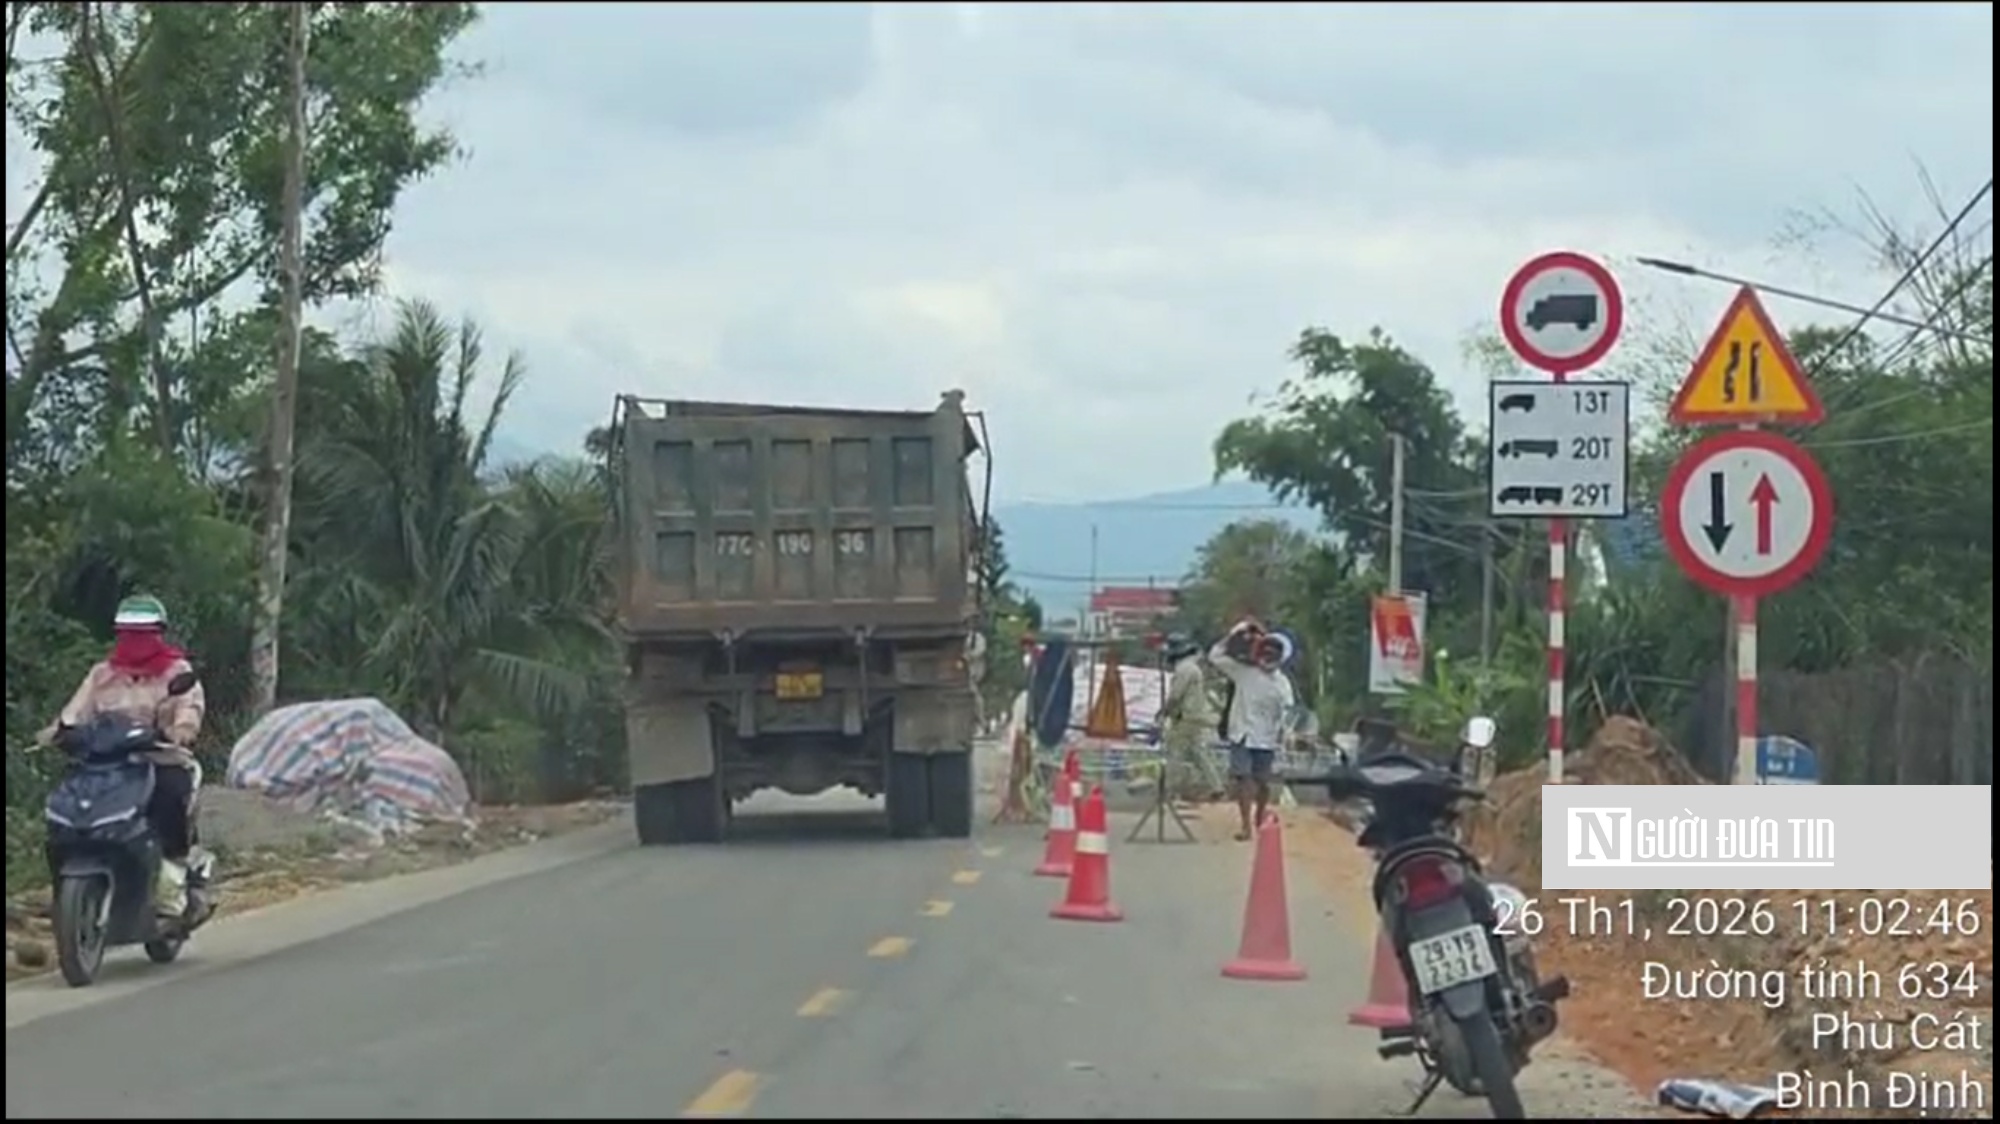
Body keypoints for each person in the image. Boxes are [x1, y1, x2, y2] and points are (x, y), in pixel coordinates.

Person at [40, 594, 206, 916]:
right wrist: (59, 731)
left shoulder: (177, 672)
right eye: (128, 634)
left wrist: (181, 730)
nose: (136, 642)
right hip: (105, 765)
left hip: (158, 759)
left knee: (169, 799)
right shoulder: (102, 674)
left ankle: (172, 885)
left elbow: (189, 708)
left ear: (160, 634)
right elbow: (75, 713)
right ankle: (63, 887)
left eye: (144, 634)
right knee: (67, 806)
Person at [1209, 617, 1296, 842]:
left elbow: (1288, 712)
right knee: (1244, 779)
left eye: (1272, 654)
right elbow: (1215, 656)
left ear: (1280, 658)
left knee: (1263, 783)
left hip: (1267, 739)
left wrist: (1286, 733)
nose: (1267, 657)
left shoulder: (1282, 684)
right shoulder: (1243, 672)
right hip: (1242, 734)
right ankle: (1246, 825)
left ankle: (1259, 816)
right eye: (1264, 651)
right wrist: (1237, 631)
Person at [1158, 634, 1219, 799]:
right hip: (1195, 716)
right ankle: (1216, 787)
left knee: (1175, 753)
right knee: (1198, 753)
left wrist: (1164, 712)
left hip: (1186, 717)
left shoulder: (1184, 669)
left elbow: (1176, 696)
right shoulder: (1192, 667)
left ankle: (1169, 790)